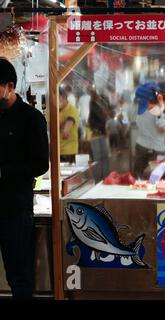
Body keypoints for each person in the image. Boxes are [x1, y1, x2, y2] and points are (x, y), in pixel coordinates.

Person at [0, 58, 49, 299]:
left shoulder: (31, 118)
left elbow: (40, 163)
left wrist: (4, 172)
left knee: (19, 276)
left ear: (9, 86)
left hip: (15, 209)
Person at [133, 82, 165, 179]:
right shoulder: (157, 107)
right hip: (155, 149)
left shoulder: (139, 106)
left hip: (140, 145)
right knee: (153, 181)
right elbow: (161, 128)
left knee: (138, 179)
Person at [88, 89, 110, 178]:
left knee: (103, 158)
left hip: (99, 134)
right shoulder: (94, 106)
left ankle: (103, 178)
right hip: (97, 134)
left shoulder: (96, 106)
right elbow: (102, 118)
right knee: (99, 158)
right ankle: (100, 179)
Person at [59, 87, 79, 164]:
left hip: (69, 152)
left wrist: (62, 126)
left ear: (64, 97)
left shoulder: (72, 110)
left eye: (57, 98)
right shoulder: (55, 110)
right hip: (56, 152)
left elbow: (65, 132)